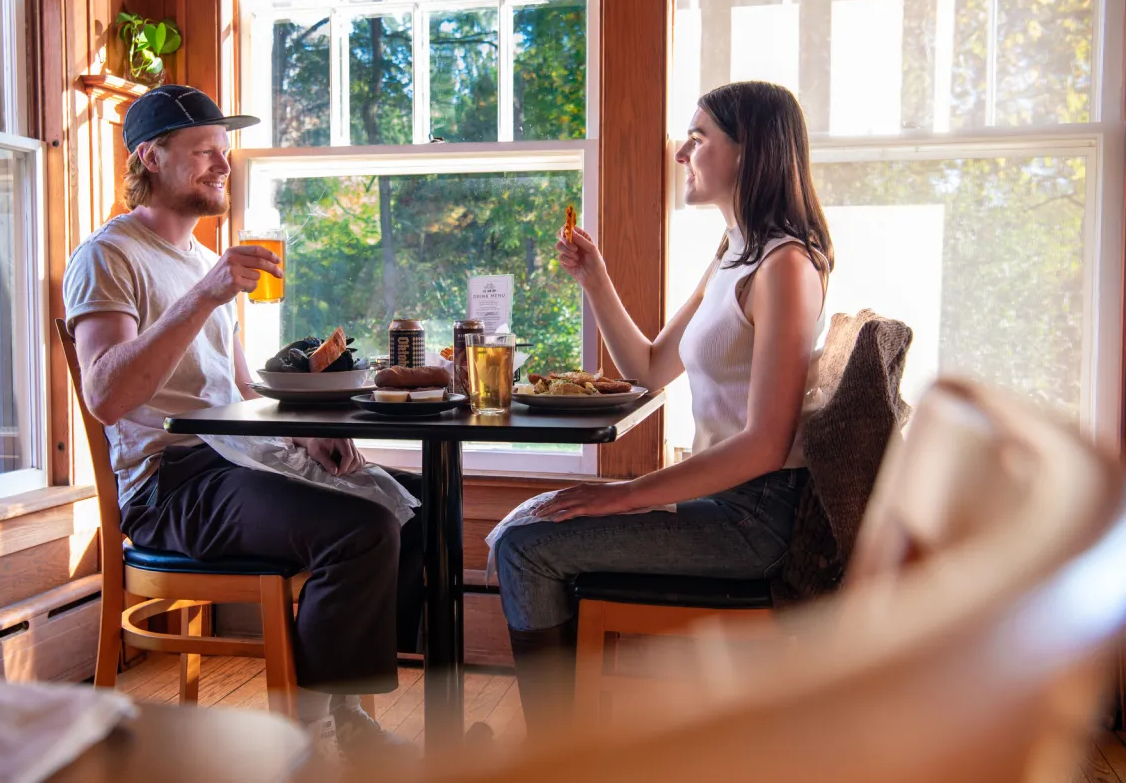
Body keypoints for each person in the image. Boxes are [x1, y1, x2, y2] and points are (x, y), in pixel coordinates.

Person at [61, 85, 420, 760]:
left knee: (412, 508)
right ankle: (307, 743)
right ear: (152, 156)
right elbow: (105, 393)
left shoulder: (205, 262)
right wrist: (207, 295)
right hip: (171, 485)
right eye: (205, 153)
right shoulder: (110, 256)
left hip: (238, 458)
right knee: (361, 529)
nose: (223, 167)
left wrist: (302, 431)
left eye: (224, 154)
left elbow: (240, 390)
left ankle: (344, 711)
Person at [494, 81, 834, 733]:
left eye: (700, 136)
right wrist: (595, 279)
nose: (683, 151)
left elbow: (766, 443)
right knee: (525, 531)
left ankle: (555, 760)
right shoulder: (737, 253)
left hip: (752, 521)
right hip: (724, 502)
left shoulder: (786, 267)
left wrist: (622, 496)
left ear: (750, 151)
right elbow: (648, 367)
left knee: (527, 550)